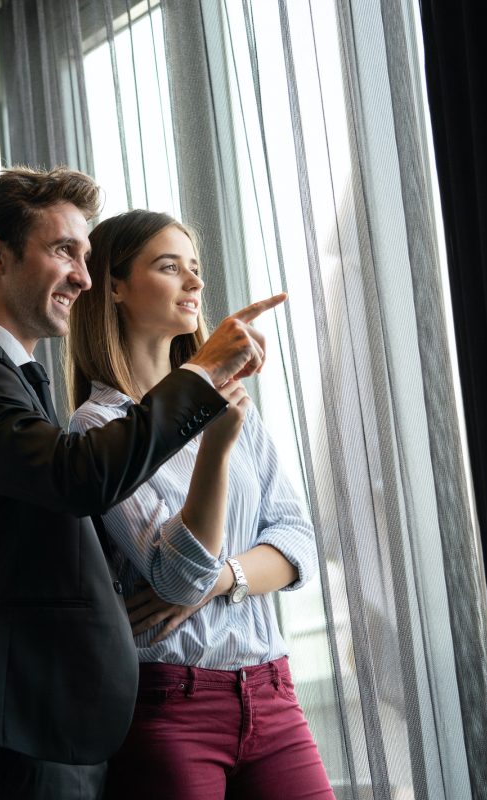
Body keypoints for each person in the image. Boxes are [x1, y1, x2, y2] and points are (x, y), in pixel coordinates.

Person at [0, 167, 286, 800]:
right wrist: (203, 370)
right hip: (18, 722)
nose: (83, 274)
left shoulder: (12, 376)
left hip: (55, 721)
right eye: (63, 251)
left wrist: (209, 581)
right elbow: (78, 477)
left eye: (85, 255)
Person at [68, 209, 335, 800]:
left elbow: (300, 543)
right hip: (170, 707)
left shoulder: (235, 402)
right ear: (112, 286)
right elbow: (176, 575)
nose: (195, 283)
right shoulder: (99, 427)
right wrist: (214, 447)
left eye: (196, 269)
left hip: (272, 691)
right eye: (170, 267)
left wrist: (223, 581)